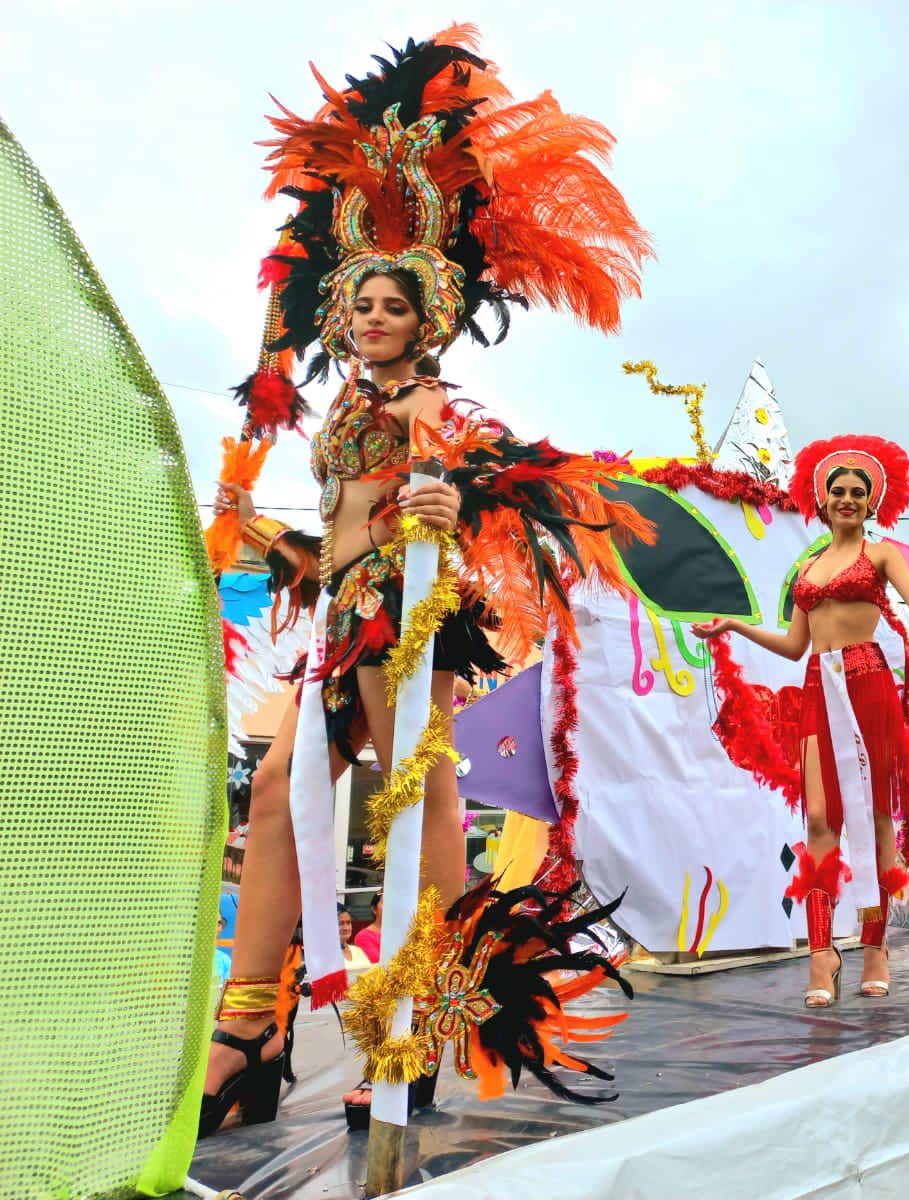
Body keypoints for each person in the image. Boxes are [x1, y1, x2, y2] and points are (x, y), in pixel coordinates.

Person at [202, 29, 652, 1137]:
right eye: (357, 306)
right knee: (274, 795)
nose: (366, 320)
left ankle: (418, 1014)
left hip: (408, 623)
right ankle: (250, 1025)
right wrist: (267, 542)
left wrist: (450, 510)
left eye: (390, 308)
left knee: (418, 801)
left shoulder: (430, 408)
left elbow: (478, 484)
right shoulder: (351, 409)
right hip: (344, 613)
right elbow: (340, 536)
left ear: (430, 317)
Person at [694, 435, 909, 1007]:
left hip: (867, 683)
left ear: (872, 503)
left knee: (872, 820)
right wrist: (736, 628)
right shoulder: (809, 565)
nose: (847, 499)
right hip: (816, 689)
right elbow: (795, 644)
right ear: (821, 501)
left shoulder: (881, 555)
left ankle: (875, 947)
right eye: (838, 491)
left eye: (858, 492)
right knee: (820, 818)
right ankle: (822, 952)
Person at [336, 904, 373, 980]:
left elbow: (372, 976)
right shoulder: (325, 956)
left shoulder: (357, 951)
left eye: (348, 923)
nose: (346, 928)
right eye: (341, 923)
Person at [351, 891, 382, 963]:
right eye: (386, 902)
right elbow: (376, 963)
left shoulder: (405, 931)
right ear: (374, 909)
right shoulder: (364, 937)